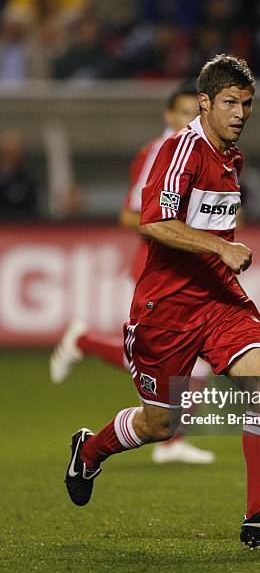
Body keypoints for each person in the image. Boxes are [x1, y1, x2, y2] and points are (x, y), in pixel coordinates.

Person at [64, 54, 260, 549]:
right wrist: (221, 246)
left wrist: (221, 248)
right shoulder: (181, 149)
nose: (240, 113)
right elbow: (153, 222)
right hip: (166, 309)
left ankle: (257, 515)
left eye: (247, 104)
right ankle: (90, 450)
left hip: (221, 301)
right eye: (230, 102)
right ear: (204, 103)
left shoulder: (232, 155)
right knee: (161, 424)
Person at [51, 83, 214, 464]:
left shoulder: (201, 152)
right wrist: (179, 233)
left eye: (196, 113)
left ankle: (170, 442)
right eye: (183, 112)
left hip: (188, 268)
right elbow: (130, 214)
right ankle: (86, 343)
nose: (189, 120)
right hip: (159, 267)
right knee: (183, 361)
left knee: (186, 362)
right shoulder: (159, 152)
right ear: (167, 116)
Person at [0, 129, 39, 220]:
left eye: (13, 153)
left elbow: (34, 206)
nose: (10, 157)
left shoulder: (29, 177)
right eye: (6, 153)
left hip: (23, 225)